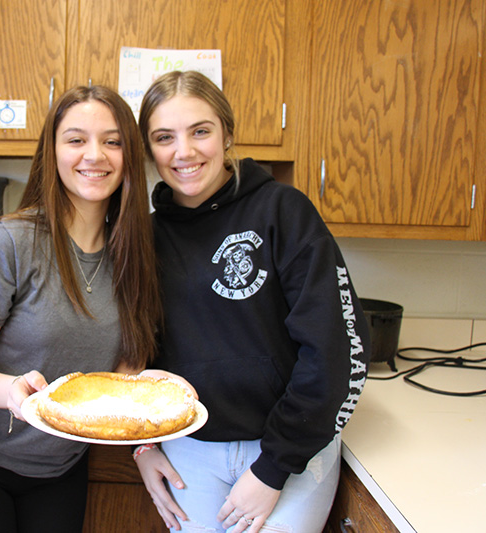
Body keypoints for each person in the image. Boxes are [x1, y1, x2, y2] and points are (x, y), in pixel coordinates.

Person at [133, 70, 370, 533]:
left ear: (227, 133)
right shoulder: (145, 237)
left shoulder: (284, 211)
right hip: (188, 452)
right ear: (150, 150)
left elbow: (336, 350)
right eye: (165, 137)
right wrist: (142, 447)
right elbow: (131, 354)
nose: (184, 151)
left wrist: (273, 468)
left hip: (291, 449)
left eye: (200, 131)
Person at [0, 84, 162, 532]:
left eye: (112, 141)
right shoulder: (9, 243)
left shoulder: (136, 253)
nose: (95, 155)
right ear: (52, 152)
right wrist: (11, 390)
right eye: (76, 140)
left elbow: (123, 371)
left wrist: (145, 390)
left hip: (59, 465)